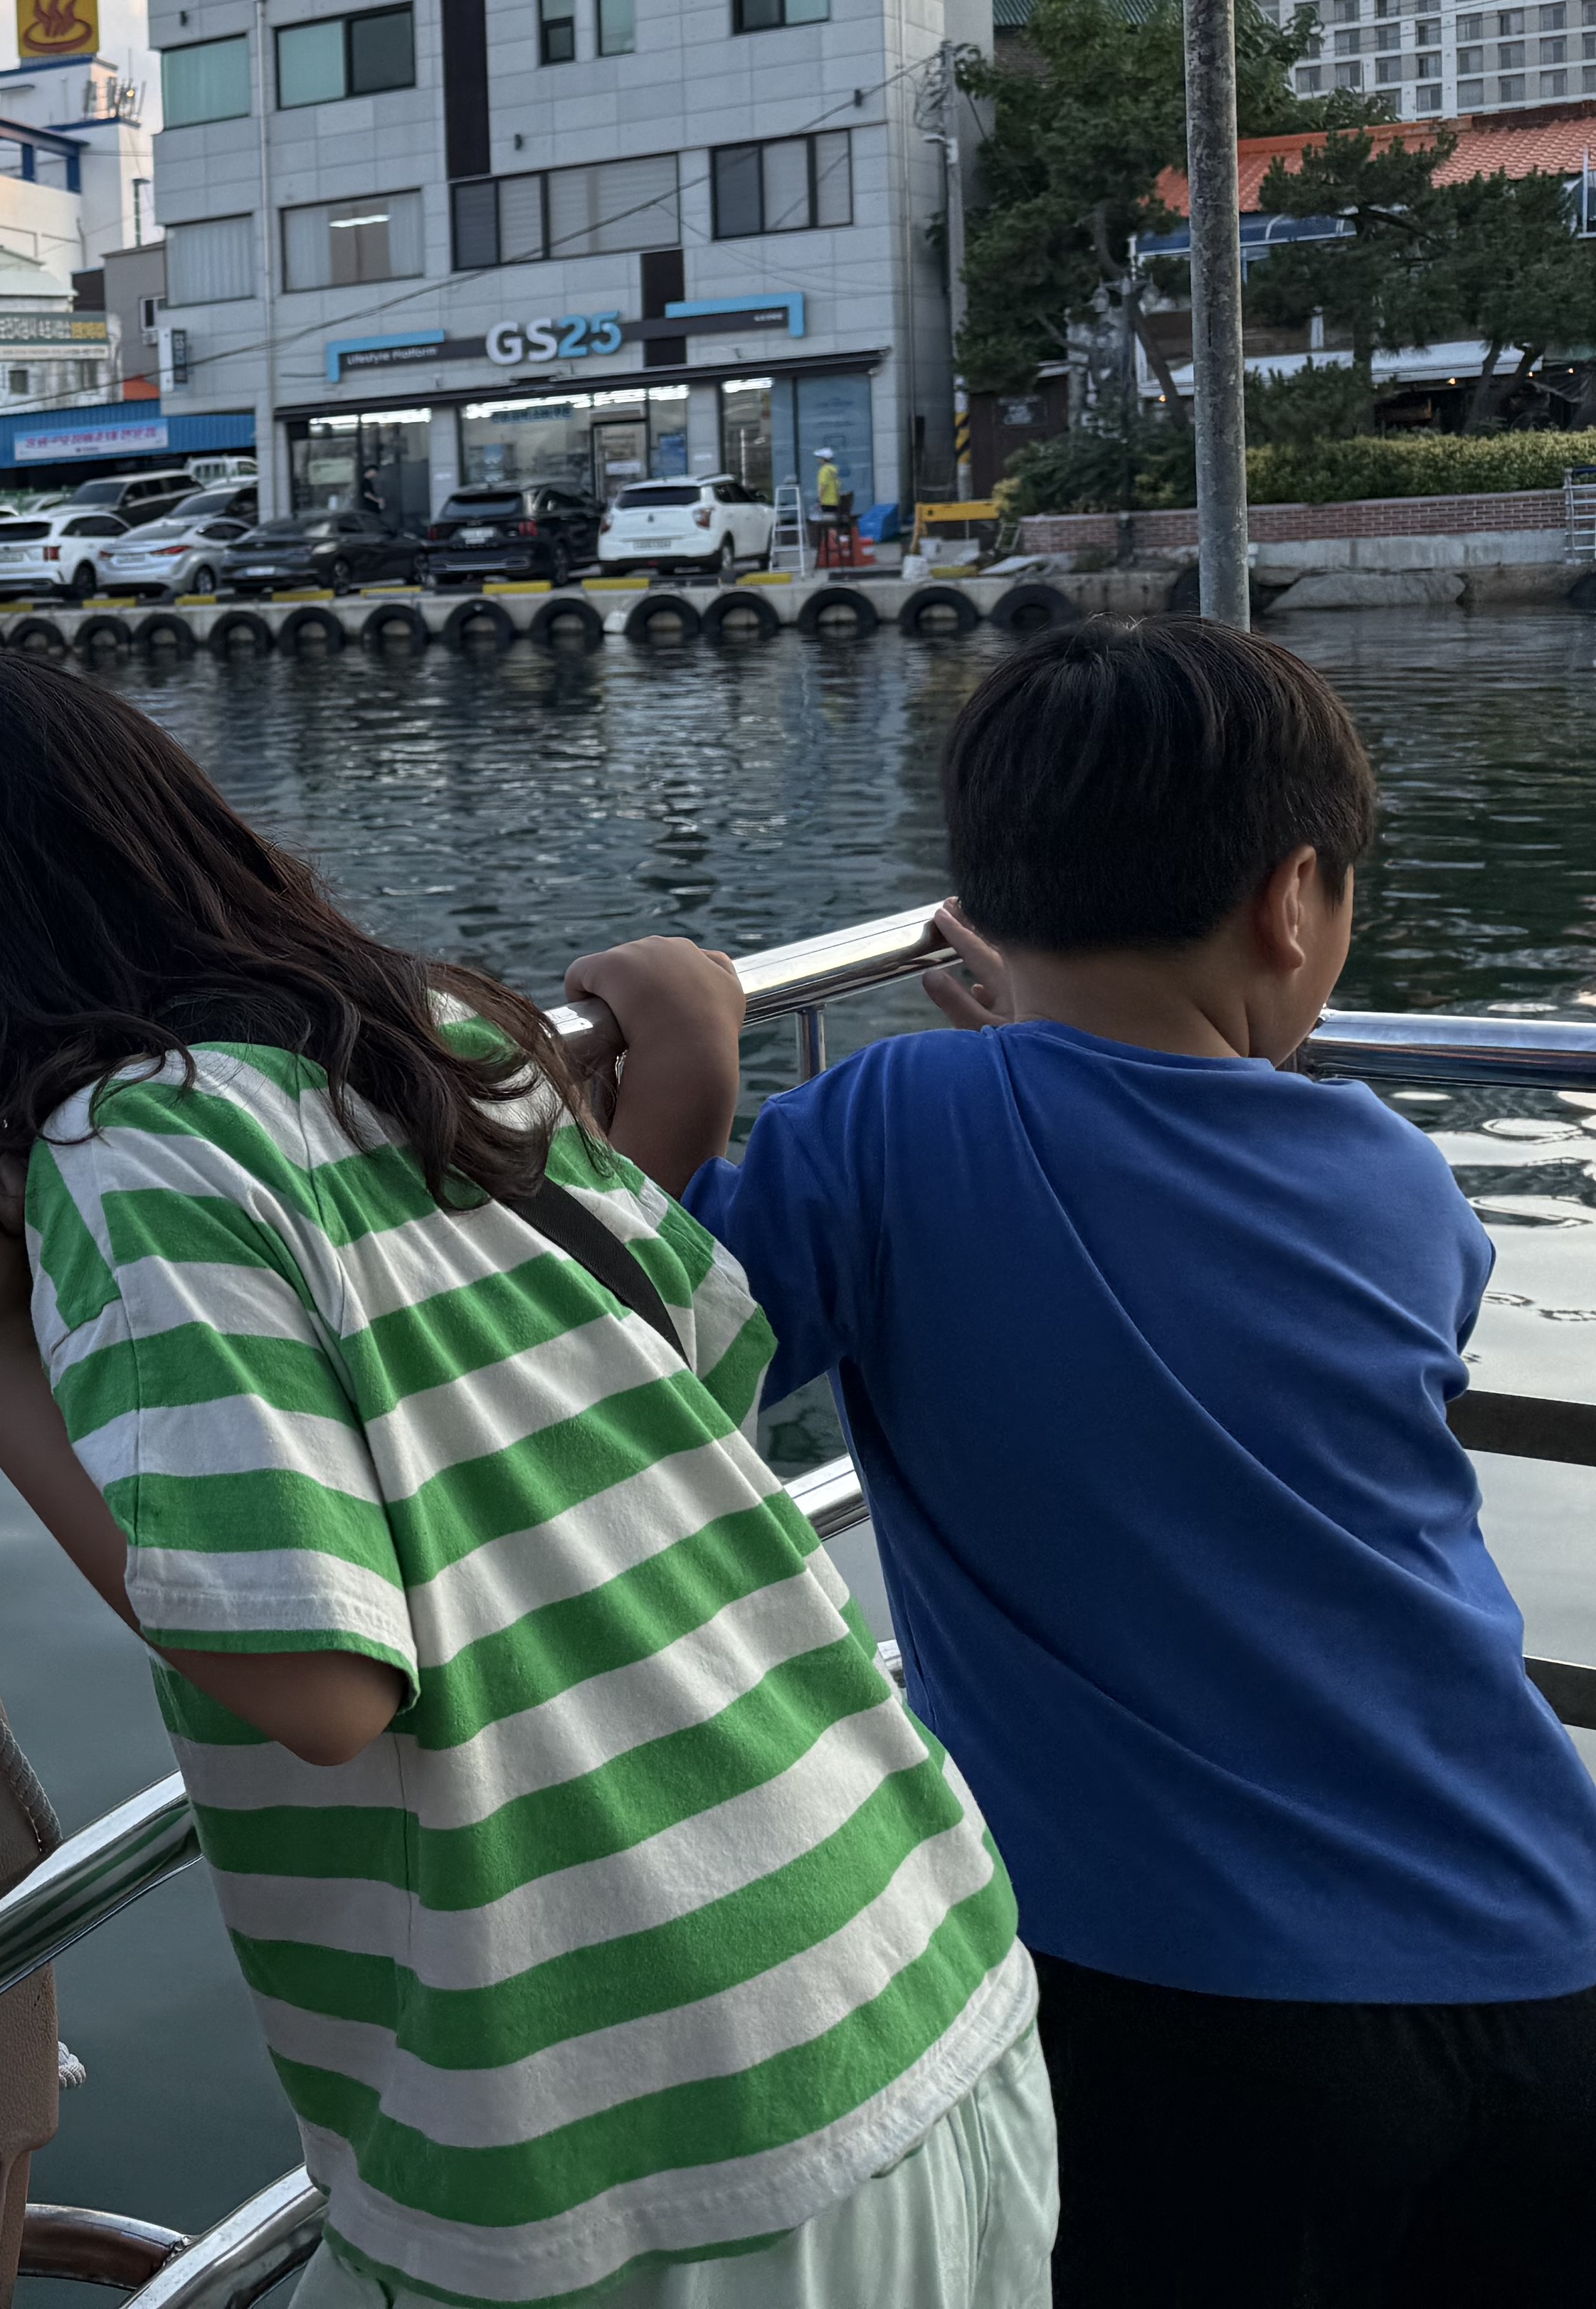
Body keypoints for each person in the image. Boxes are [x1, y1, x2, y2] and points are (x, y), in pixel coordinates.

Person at [0, 651, 1050, 2309]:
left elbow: (317, 1685)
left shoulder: (136, 1153)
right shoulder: (442, 1030)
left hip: (627, 2140)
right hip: (915, 1970)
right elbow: (664, 1364)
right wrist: (683, 1078)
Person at [581, 615, 1596, 2303]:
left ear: (987, 897)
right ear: (1292, 900)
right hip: (1532, 1941)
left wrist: (686, 1085)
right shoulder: (1393, 1181)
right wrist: (1052, 1052)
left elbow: (639, 1385)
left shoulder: (892, 1132)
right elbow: (1172, 1212)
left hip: (1177, 2002)